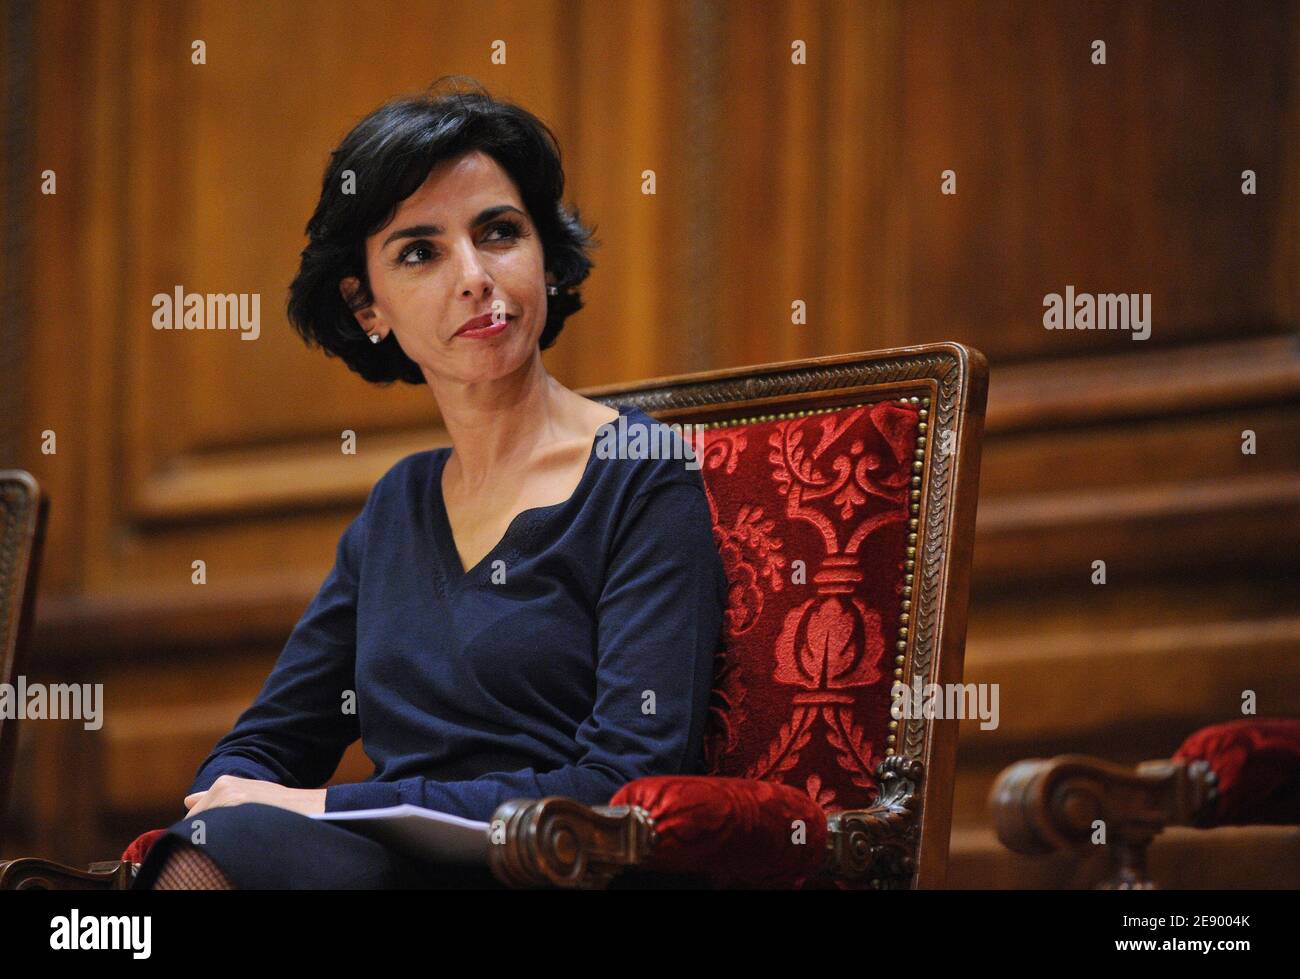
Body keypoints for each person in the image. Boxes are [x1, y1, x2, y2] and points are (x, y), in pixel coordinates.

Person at [132, 77, 729, 889]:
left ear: (544, 257)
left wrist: (338, 807)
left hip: (552, 869)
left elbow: (625, 783)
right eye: (421, 251)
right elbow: (264, 746)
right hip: (383, 868)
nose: (475, 275)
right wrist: (261, 799)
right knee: (208, 853)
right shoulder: (398, 507)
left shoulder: (639, 475)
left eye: (499, 232)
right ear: (367, 305)